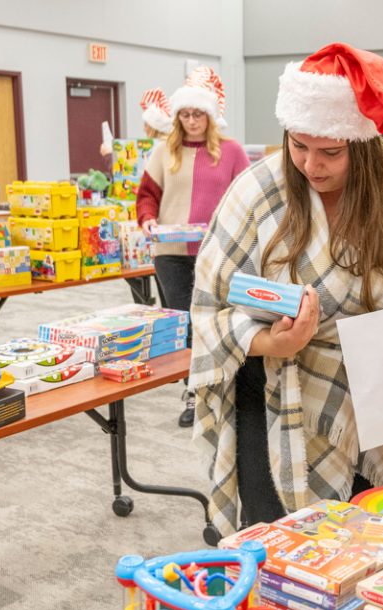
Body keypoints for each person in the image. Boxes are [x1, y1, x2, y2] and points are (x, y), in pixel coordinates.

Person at [189, 43, 383, 534]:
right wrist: (274, 341)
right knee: (286, 543)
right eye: (298, 145)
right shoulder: (257, 192)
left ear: (364, 144)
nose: (311, 165)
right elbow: (209, 309)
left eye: (331, 151)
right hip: (277, 397)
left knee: (378, 534)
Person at [136, 67, 250, 428]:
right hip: (171, 255)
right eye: (184, 114)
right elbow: (146, 196)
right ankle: (194, 395)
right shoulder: (163, 152)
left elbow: (249, 197)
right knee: (185, 323)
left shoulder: (231, 152)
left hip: (217, 255)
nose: (191, 121)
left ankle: (225, 388)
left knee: (216, 322)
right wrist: (147, 220)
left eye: (197, 114)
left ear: (210, 115)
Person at [99, 88, 174, 158]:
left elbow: (132, 169)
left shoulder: (158, 149)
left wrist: (109, 155)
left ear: (155, 128)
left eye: (146, 125)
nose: (144, 129)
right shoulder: (170, 146)